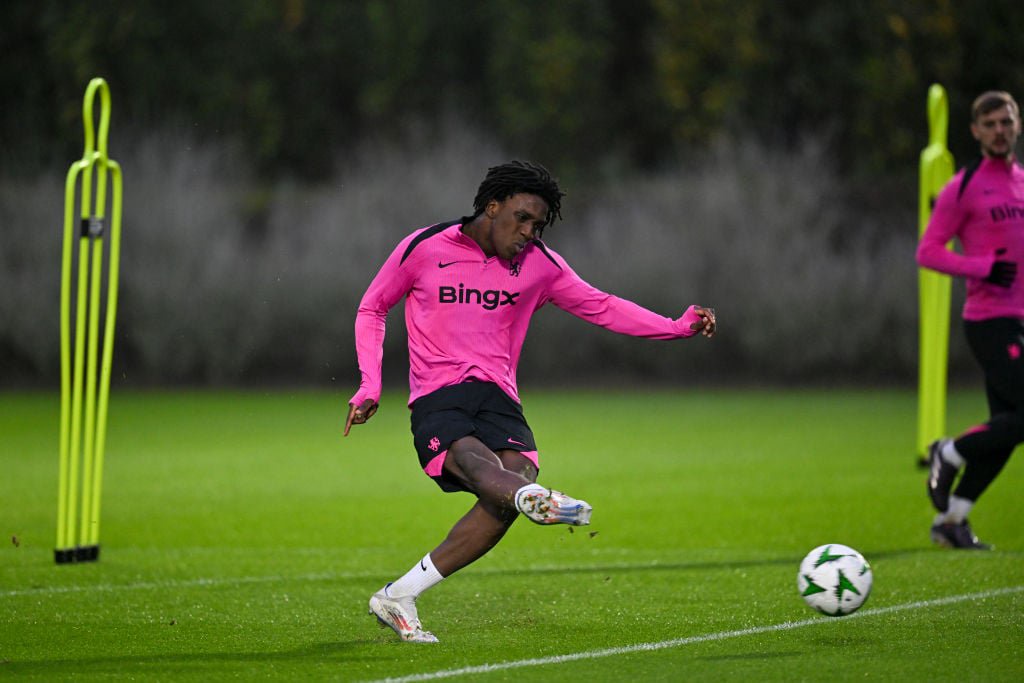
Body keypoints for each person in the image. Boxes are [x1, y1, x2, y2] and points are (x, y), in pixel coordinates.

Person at [343, 160, 716, 642]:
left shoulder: (540, 265)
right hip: (439, 395)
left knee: (514, 480)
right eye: (521, 218)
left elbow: (602, 306)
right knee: (478, 465)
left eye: (537, 225)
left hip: (498, 397)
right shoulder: (425, 247)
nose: (528, 232)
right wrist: (369, 384)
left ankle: (400, 594)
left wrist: (677, 326)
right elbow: (373, 306)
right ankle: (529, 499)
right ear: (491, 206)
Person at [916, 90, 1024, 550]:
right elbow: (928, 251)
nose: (1000, 131)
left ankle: (951, 521)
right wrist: (982, 267)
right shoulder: (963, 187)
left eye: (1006, 121)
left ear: (1017, 125)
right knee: (1020, 418)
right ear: (976, 131)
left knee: (1008, 426)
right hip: (989, 320)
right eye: (990, 124)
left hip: (1020, 319)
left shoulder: (1021, 182)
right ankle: (949, 451)